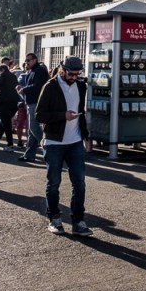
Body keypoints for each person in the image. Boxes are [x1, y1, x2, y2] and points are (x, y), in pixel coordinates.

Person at [36, 56, 93, 236]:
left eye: (77, 74)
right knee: (54, 182)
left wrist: (86, 137)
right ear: (62, 69)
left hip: (75, 141)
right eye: (71, 73)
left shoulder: (81, 86)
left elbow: (82, 114)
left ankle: (78, 221)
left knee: (80, 183)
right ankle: (55, 218)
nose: (74, 77)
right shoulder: (50, 86)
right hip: (54, 142)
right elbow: (39, 115)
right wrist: (63, 115)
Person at [17, 53, 49, 163]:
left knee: (34, 128)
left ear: (35, 60)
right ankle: (29, 154)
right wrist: (23, 89)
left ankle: (48, 149)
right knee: (31, 130)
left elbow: (38, 86)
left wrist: (24, 89)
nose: (27, 62)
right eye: (26, 60)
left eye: (28, 60)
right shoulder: (32, 70)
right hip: (31, 102)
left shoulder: (39, 70)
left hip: (36, 102)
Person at [0, 64, 21, 151]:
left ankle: (10, 145)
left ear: (2, 70)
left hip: (4, 102)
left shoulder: (2, 75)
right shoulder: (13, 76)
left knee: (6, 124)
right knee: (3, 122)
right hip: (14, 102)